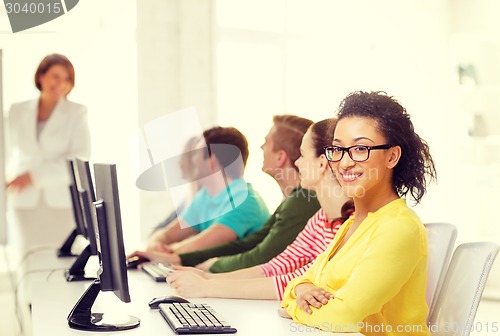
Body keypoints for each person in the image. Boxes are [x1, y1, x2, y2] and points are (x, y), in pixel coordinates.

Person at [279, 91, 437, 336]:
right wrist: (299, 291)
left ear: (392, 156)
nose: (344, 163)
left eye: (361, 148)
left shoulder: (398, 228)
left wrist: (293, 308)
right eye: (338, 149)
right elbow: (299, 283)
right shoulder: (352, 223)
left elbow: (344, 317)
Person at [167, 118, 354, 300]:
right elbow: (278, 266)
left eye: (303, 155)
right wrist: (206, 278)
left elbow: (303, 280)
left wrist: (207, 285)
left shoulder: (350, 225)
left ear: (321, 163)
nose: (297, 162)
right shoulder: (320, 219)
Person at [131, 115, 321, 273]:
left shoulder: (249, 201)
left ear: (211, 160)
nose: (261, 148)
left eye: (195, 154)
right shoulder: (291, 201)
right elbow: (251, 245)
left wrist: (207, 269)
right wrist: (163, 250)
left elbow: (260, 257)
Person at [6, 53, 91, 260]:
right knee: (27, 261)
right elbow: (6, 150)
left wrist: (33, 176)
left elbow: (79, 158)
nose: (60, 83)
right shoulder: (17, 111)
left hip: (60, 204)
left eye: (67, 79)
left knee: (58, 263)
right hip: (24, 203)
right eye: (55, 76)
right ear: (41, 76)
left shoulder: (76, 113)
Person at [143, 126, 270, 254]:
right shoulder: (205, 197)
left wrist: (157, 251)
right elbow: (167, 235)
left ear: (212, 160)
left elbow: (194, 248)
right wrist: (155, 243)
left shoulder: (245, 201)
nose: (192, 161)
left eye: (195, 155)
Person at [149, 135, 202, 234]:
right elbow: (159, 228)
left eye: (183, 157)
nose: (179, 162)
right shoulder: (187, 200)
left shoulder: (203, 200)